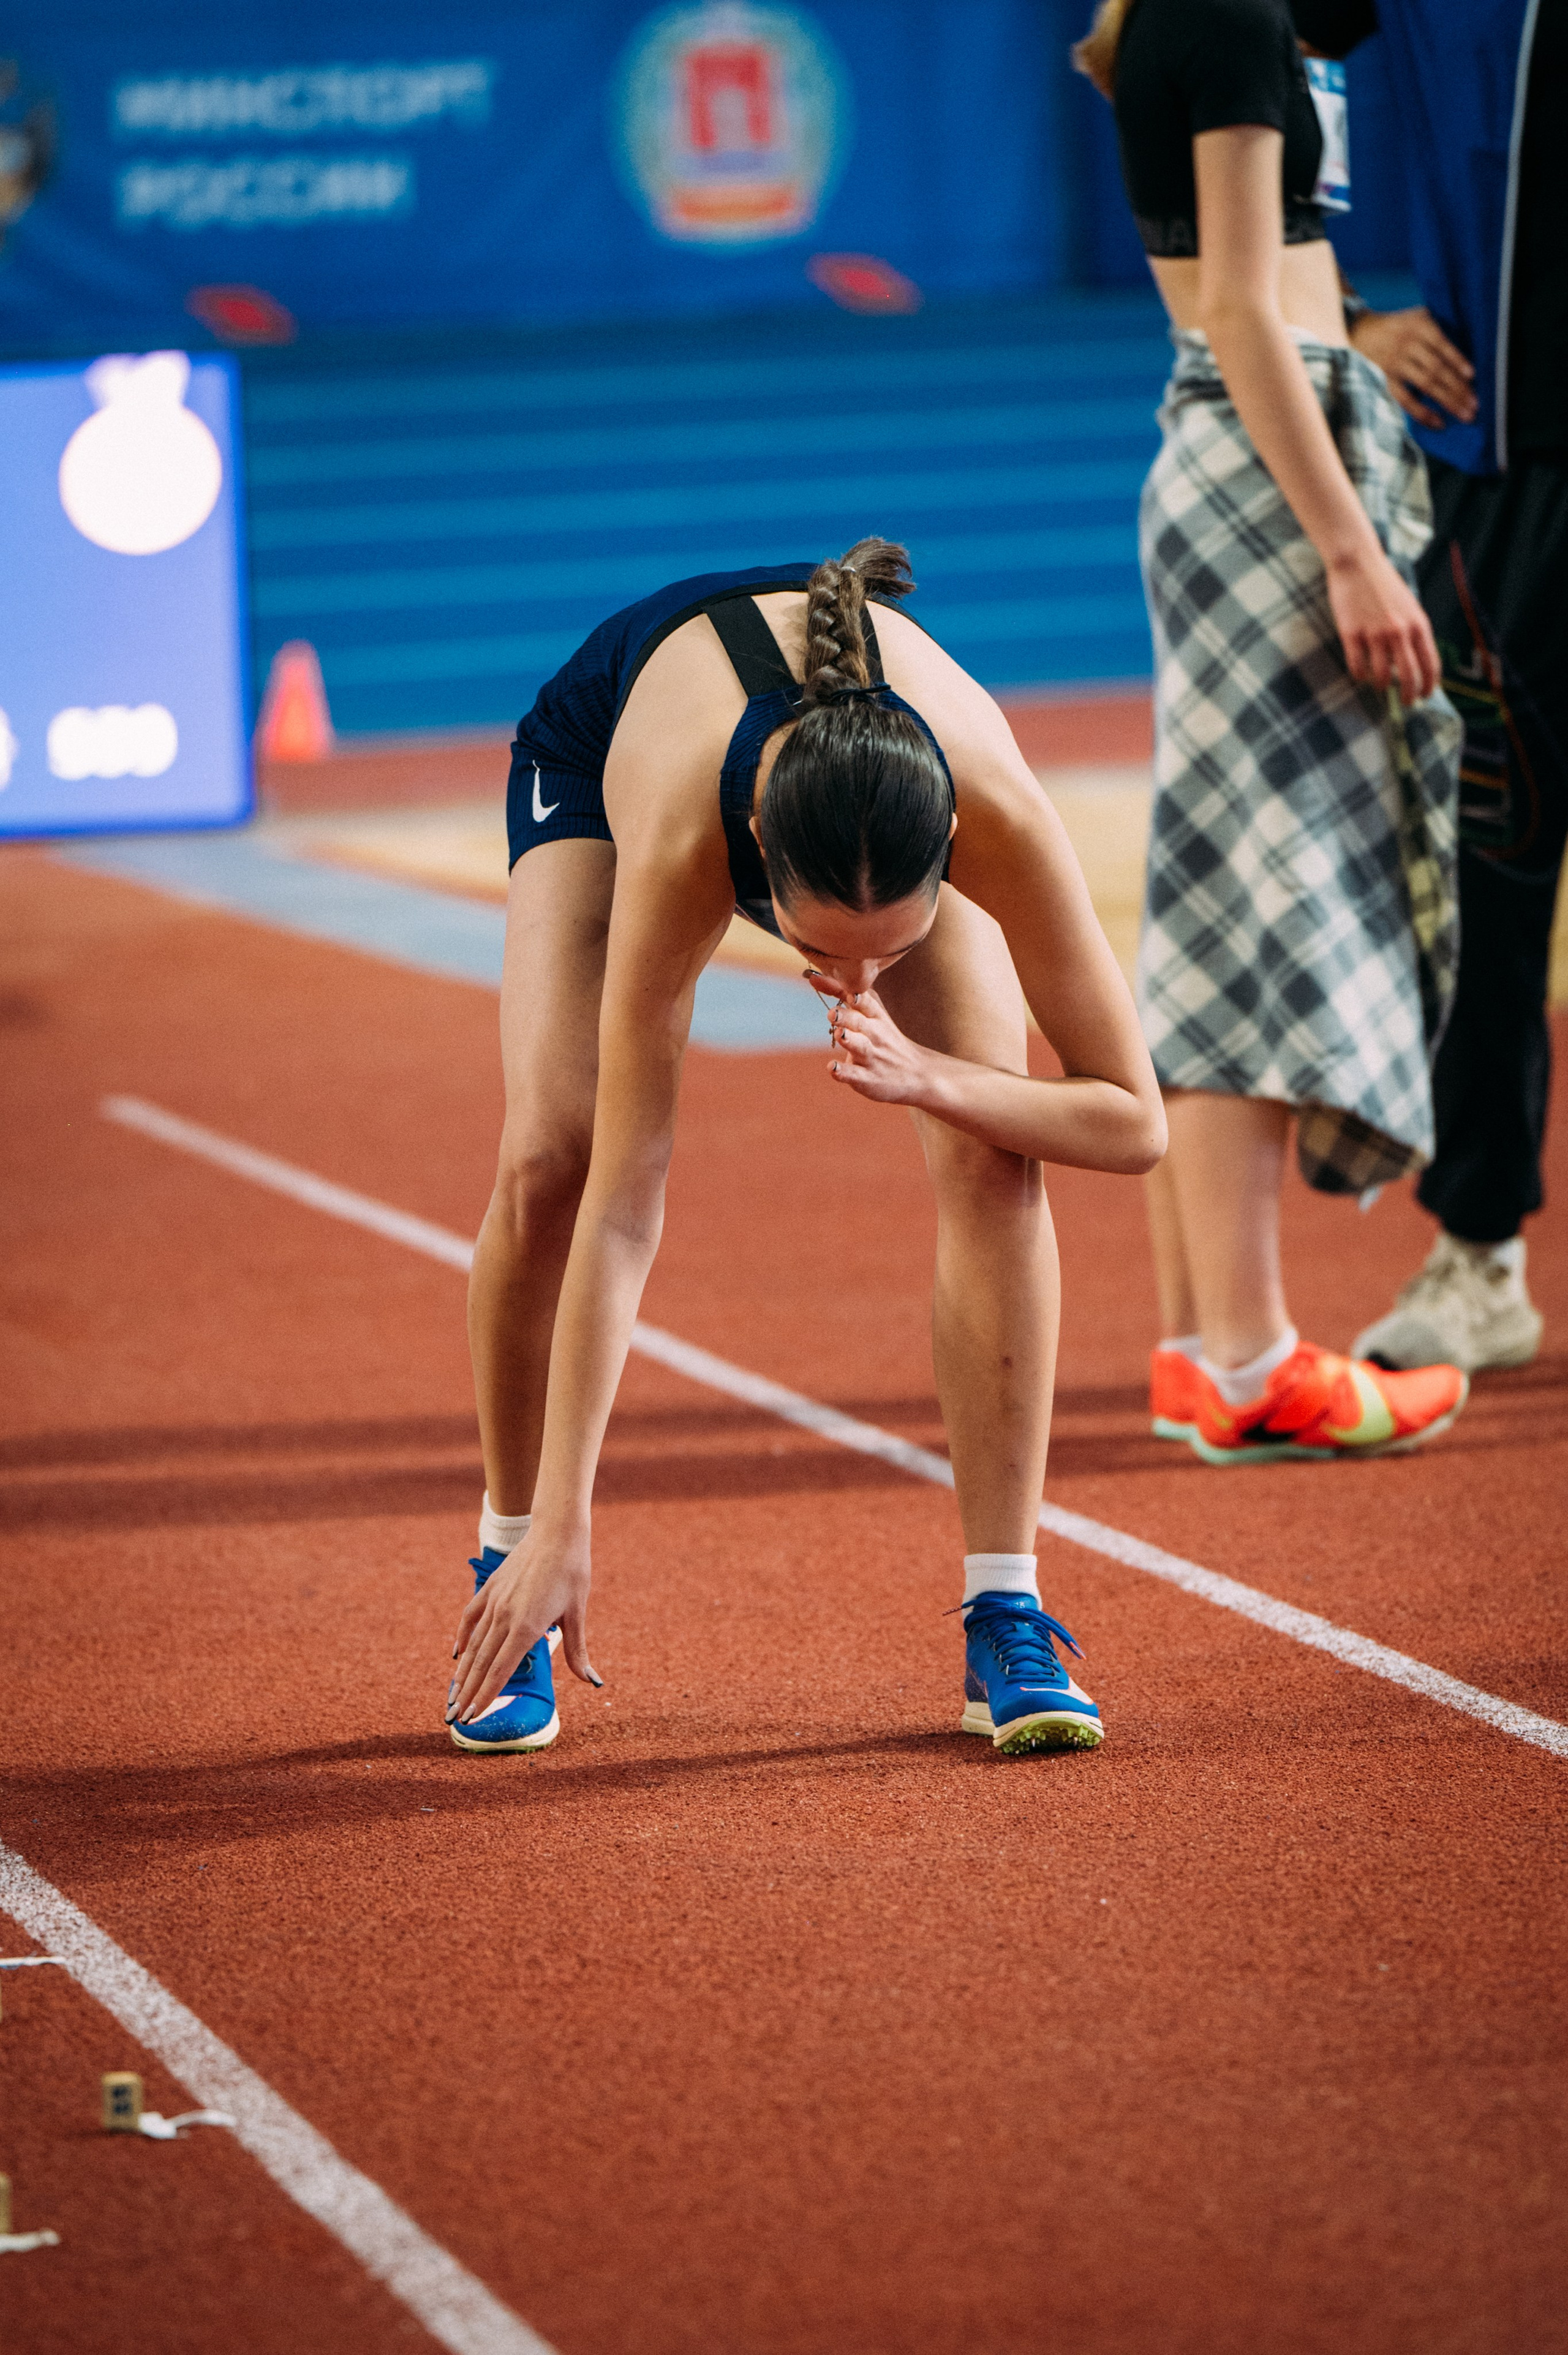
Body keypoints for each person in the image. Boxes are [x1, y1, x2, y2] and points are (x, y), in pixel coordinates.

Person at [446, 543, 1166, 1758]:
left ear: (948, 852)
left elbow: (1131, 1121)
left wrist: (937, 1079)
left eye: (894, 948)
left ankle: (1006, 1605)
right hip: (606, 733)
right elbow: (628, 1204)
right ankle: (509, 1560)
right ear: (757, 880)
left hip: (861, 770)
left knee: (993, 1143)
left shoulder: (988, 806)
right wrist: (564, 1512)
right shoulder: (682, 844)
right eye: (826, 951)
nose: (857, 981)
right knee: (553, 1158)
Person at [1073, 0, 1469, 1464]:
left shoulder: (1188, 16)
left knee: (1212, 907)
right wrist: (1352, 548)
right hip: (1266, 466)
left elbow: (1239, 288)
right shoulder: (1224, 13)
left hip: (1242, 443)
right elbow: (1238, 309)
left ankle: (1198, 1344)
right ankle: (1245, 1355)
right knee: (1263, 904)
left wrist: (1355, 330)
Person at [1346, 0, 1567, 1374]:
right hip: (1503, 455)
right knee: (1488, 858)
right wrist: (1347, 291)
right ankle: (1477, 1245)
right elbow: (1293, 52)